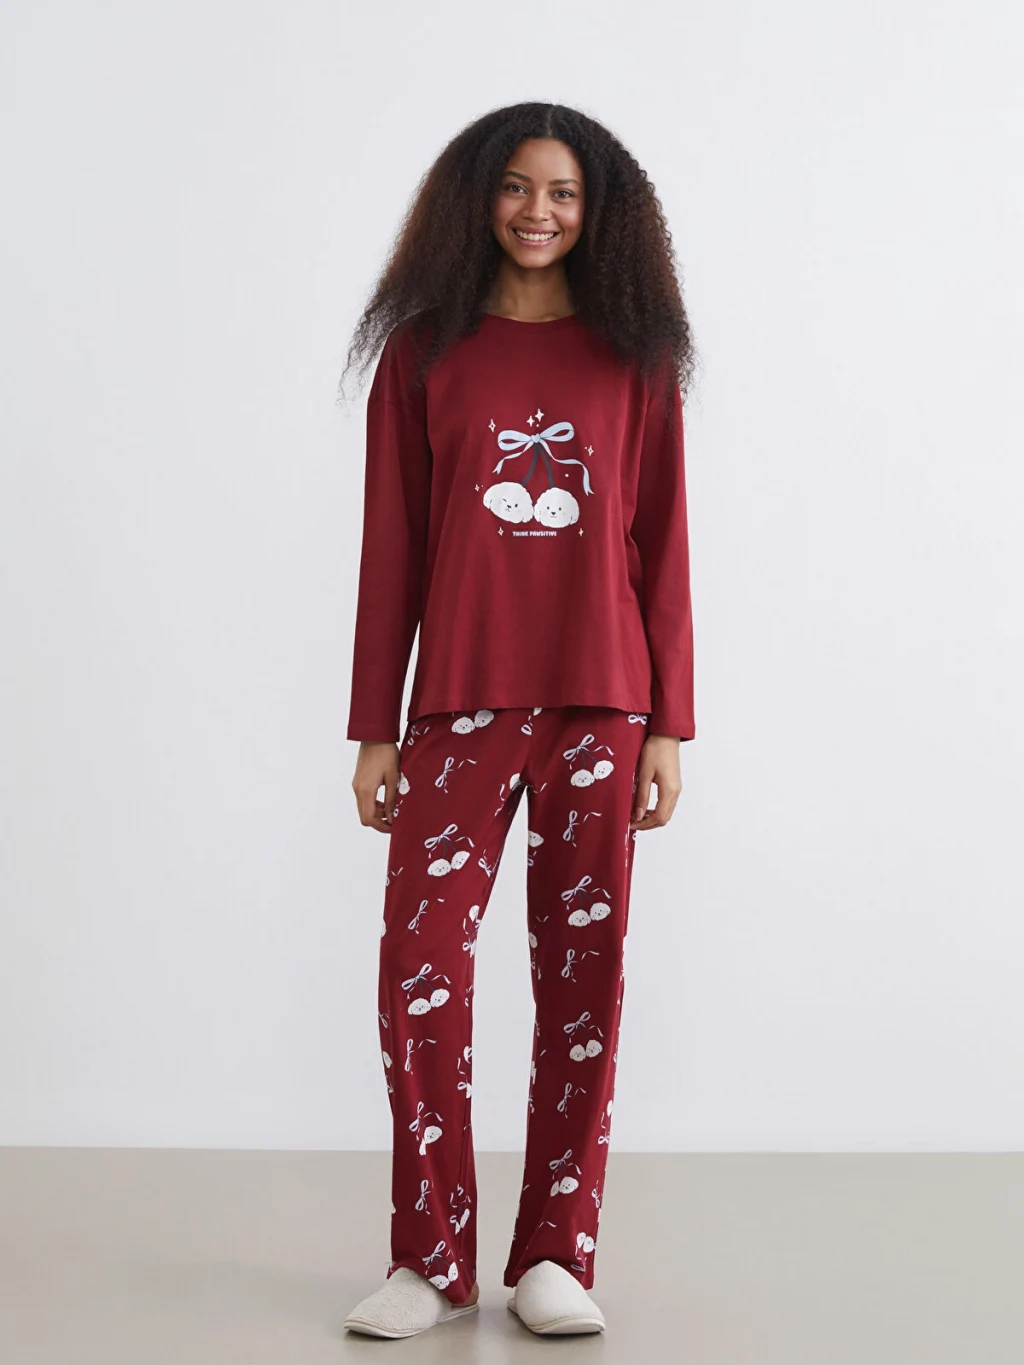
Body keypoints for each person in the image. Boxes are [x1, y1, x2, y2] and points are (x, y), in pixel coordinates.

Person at [337, 101, 697, 1339]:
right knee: (419, 975)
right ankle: (430, 1261)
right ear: (476, 198)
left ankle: (554, 1254)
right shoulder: (424, 353)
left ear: (599, 214)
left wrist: (669, 723)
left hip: (602, 701)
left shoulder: (634, 358)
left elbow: (663, 543)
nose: (537, 211)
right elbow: (391, 547)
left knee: (581, 981)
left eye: (563, 193)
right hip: (458, 704)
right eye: (515, 187)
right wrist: (374, 725)